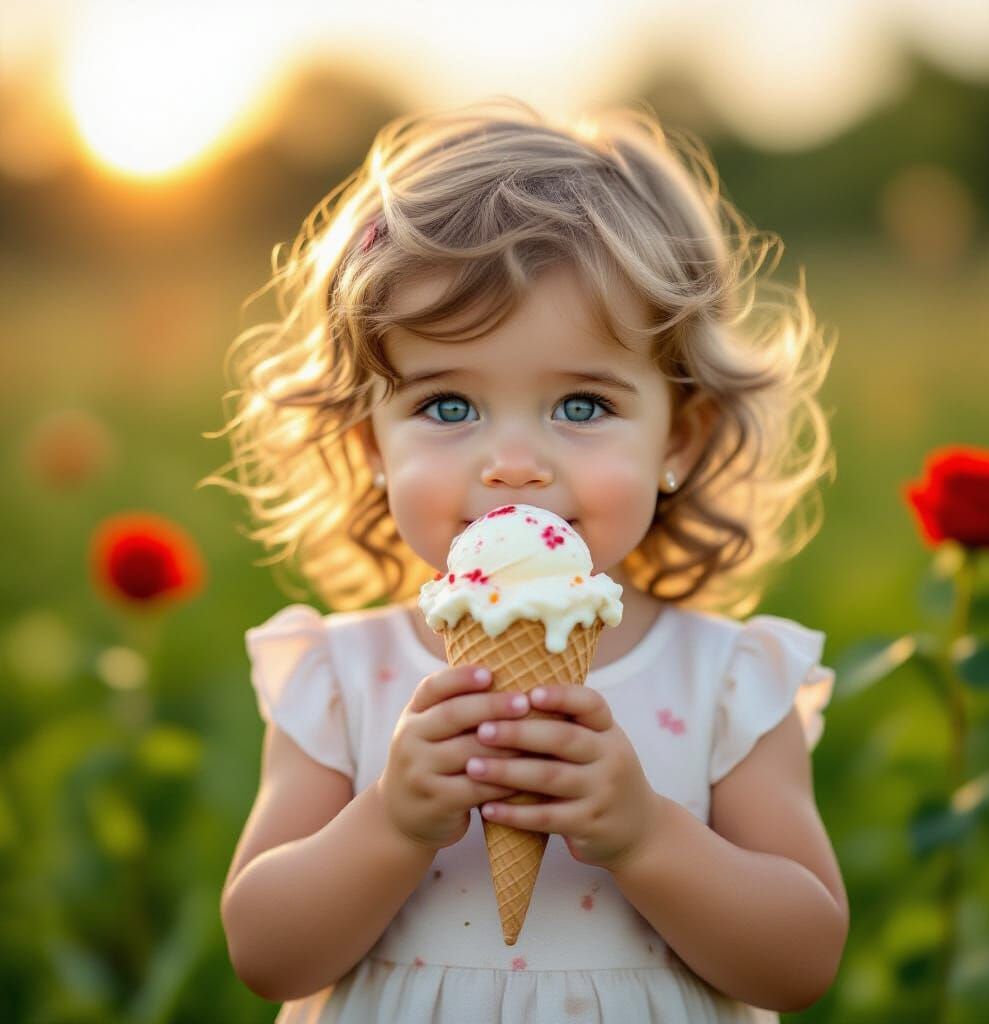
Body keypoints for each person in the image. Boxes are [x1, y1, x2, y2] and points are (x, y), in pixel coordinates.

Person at [207, 95, 847, 1022]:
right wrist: (388, 821)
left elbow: (800, 961)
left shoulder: (728, 681)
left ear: (681, 434)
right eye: (449, 406)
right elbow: (265, 950)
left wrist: (648, 835)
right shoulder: (345, 677)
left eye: (582, 406)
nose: (514, 462)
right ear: (371, 444)